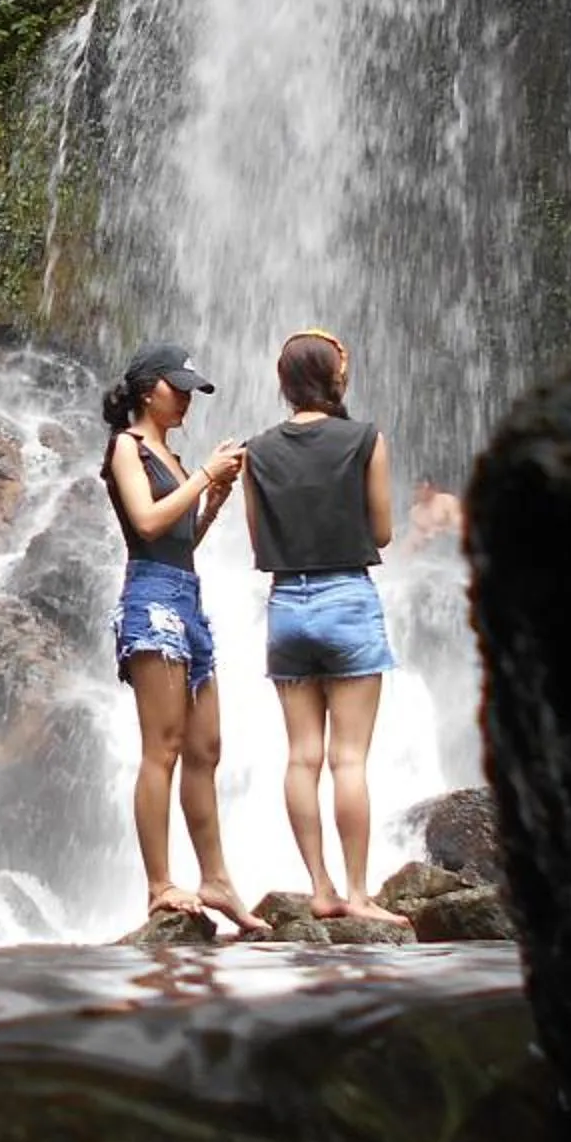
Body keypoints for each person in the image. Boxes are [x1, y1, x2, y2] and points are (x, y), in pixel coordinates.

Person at [100, 341, 269, 934]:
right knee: (163, 746)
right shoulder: (129, 447)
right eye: (180, 388)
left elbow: (178, 540)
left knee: (206, 748)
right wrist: (204, 476)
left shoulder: (171, 456)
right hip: (150, 601)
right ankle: (158, 884)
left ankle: (217, 879)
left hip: (186, 598)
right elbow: (145, 524)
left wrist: (213, 498)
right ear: (149, 389)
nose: (188, 400)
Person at [242, 328, 402, 924]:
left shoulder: (257, 450)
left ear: (284, 385)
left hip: (287, 606)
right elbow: (381, 532)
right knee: (349, 760)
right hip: (346, 597)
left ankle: (320, 887)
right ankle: (359, 895)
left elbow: (259, 541)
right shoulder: (365, 439)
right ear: (336, 377)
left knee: (302, 757)